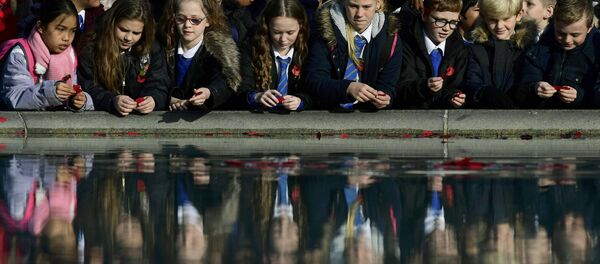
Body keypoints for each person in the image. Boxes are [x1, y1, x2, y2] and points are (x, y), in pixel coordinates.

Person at [303, 0, 402, 111]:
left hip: (367, 116)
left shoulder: (389, 37)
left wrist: (385, 97)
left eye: (366, 7)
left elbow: (388, 83)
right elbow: (314, 80)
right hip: (327, 112)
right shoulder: (326, 31)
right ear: (344, 3)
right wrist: (348, 88)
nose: (359, 14)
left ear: (378, 5)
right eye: (353, 6)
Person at [78, 0, 169, 116]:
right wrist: (112, 100)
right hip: (103, 119)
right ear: (112, 23)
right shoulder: (92, 48)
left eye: (136, 33)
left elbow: (159, 81)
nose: (128, 38)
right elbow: (89, 86)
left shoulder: (151, 48)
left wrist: (153, 99)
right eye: (123, 30)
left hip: (141, 120)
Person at [0, 0, 93, 111]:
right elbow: (14, 96)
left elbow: (74, 87)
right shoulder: (20, 54)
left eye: (72, 31)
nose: (67, 38)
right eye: (61, 29)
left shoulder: (70, 55)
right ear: (41, 27)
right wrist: (49, 92)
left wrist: (79, 100)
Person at [159, 0, 240, 111]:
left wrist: (208, 92)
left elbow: (224, 82)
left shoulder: (216, 52)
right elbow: (156, 81)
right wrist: (168, 99)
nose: (187, 25)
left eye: (195, 20)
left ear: (208, 20)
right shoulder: (162, 47)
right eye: (180, 19)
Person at [517, 0, 600, 108]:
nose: (567, 40)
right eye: (561, 33)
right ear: (554, 24)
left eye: (575, 35)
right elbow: (524, 83)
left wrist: (580, 96)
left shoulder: (596, 51)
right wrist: (535, 87)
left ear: (589, 28)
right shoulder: (542, 45)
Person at [395, 0, 469, 109]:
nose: (446, 28)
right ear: (424, 15)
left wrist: (453, 96)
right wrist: (424, 87)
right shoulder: (406, 43)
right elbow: (400, 88)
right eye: (440, 20)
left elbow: (457, 85)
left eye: (453, 22)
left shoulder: (459, 48)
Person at [463, 0, 537, 108]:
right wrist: (484, 91)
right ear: (483, 17)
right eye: (493, 20)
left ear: (519, 15)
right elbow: (471, 80)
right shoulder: (475, 49)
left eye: (506, 19)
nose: (499, 26)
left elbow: (533, 79)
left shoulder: (531, 48)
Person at [244, 0, 312, 112]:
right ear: (267, 26)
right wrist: (257, 96)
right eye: (277, 32)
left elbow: (316, 89)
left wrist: (301, 101)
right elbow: (242, 89)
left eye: (290, 33)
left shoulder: (309, 48)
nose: (283, 39)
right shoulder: (251, 48)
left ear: (300, 26)